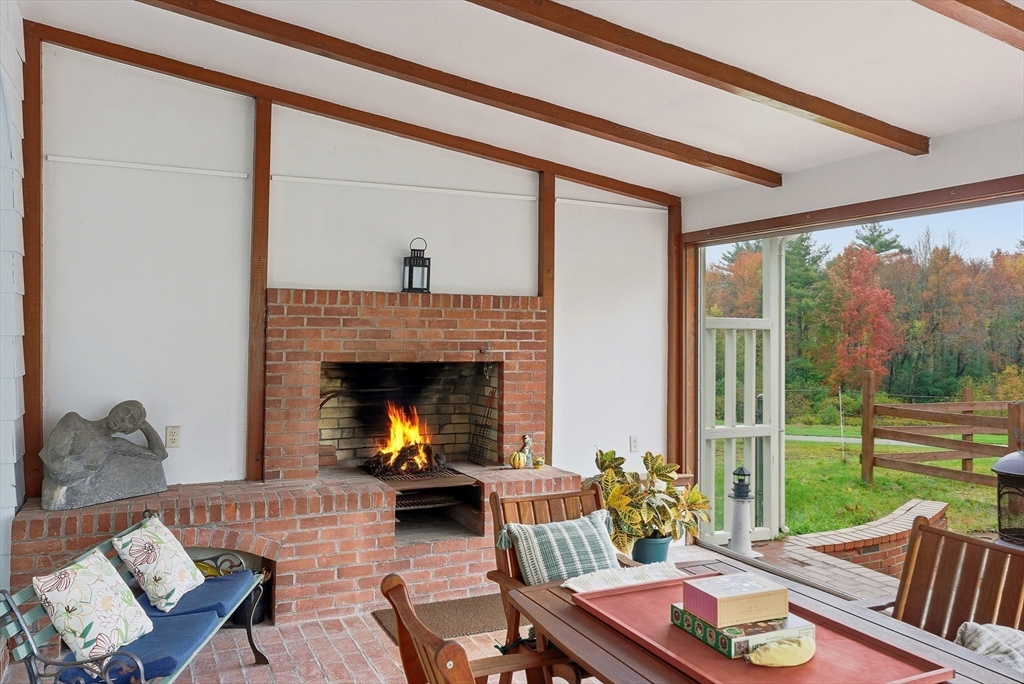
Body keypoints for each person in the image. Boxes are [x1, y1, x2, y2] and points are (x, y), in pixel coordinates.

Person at [40, 400, 169, 510]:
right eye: (125, 411)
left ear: (129, 430)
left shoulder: (113, 445)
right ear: (115, 409)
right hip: (57, 496)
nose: (124, 418)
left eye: (131, 420)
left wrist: (143, 424)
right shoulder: (74, 421)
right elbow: (56, 465)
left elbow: (159, 454)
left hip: (80, 497)